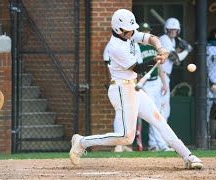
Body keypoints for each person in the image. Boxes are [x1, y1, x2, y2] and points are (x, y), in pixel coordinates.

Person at [69, 9, 203, 169]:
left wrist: (160, 48)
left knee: (159, 120)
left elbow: (151, 38)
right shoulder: (116, 46)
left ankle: (188, 156)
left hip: (133, 87)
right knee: (126, 138)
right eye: (128, 30)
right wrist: (155, 59)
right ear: (118, 29)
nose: (132, 32)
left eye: (132, 29)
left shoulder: (128, 33)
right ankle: (82, 142)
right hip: (121, 90)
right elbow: (138, 68)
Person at [137, 22, 171, 151]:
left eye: (147, 31)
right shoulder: (137, 48)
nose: (146, 33)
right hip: (146, 84)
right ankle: (159, 144)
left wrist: (164, 83)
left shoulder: (154, 47)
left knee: (158, 114)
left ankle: (154, 144)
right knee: (154, 114)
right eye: (143, 31)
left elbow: (160, 66)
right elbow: (138, 70)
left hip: (157, 82)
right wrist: (141, 85)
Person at [159, 17, 192, 122]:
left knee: (164, 108)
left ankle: (159, 137)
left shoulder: (171, 41)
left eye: (175, 30)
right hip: (160, 77)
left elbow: (173, 55)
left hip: (164, 76)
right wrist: (186, 51)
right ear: (166, 30)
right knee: (163, 108)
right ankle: (158, 138)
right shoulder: (164, 39)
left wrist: (180, 48)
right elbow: (174, 59)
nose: (173, 32)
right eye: (170, 29)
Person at [103, 42, 134, 152]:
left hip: (130, 84)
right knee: (120, 113)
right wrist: (109, 81)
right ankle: (118, 144)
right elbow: (107, 63)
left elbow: (137, 65)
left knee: (126, 114)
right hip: (118, 83)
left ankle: (123, 144)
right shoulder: (113, 45)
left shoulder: (132, 44)